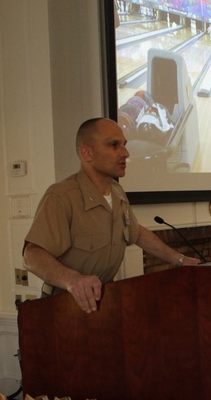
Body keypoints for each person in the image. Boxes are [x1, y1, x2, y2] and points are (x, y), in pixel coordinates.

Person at [23, 117, 200, 313]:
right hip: (64, 306)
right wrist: (73, 280)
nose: (125, 153)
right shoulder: (61, 196)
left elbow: (136, 233)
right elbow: (32, 255)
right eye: (114, 145)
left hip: (104, 302)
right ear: (87, 153)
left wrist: (180, 260)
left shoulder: (117, 193)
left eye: (124, 145)